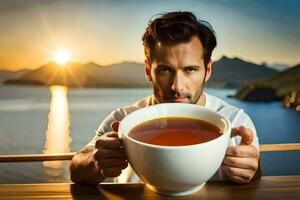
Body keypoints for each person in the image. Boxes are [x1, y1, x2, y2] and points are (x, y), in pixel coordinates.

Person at [70, 11, 261, 185]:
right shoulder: (122, 119)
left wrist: (252, 171)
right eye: (165, 70)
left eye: (190, 70)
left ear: (207, 70)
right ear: (148, 70)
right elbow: (77, 170)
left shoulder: (235, 121)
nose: (177, 86)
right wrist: (95, 161)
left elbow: (255, 176)